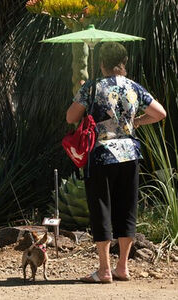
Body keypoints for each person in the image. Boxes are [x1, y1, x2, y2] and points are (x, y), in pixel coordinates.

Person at [66, 42, 166, 283]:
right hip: (130, 154)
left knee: (101, 208)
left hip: (100, 155)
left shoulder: (92, 87)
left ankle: (104, 269)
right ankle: (123, 267)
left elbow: (71, 117)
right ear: (124, 62)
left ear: (102, 63)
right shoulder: (134, 87)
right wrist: (138, 122)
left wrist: (82, 96)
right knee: (127, 208)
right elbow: (160, 113)